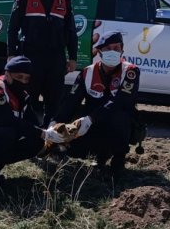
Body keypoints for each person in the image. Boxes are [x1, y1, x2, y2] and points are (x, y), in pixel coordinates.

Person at [0, 56, 65, 194]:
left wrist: (50, 133)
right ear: (7, 74)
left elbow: (33, 123)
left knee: (36, 140)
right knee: (10, 132)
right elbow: (6, 120)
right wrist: (41, 132)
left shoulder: (22, 94)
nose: (23, 81)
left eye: (26, 79)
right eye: (19, 77)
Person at [53, 31, 140, 179]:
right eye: (108, 49)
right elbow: (71, 101)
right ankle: (100, 155)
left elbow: (120, 101)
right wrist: (55, 122)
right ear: (99, 52)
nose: (113, 52)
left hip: (118, 124)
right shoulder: (88, 73)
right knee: (74, 147)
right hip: (94, 124)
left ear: (122, 50)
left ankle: (118, 162)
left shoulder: (130, 71)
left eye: (117, 48)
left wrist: (90, 119)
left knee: (119, 117)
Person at [7, 0, 78, 127]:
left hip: (56, 58)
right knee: (29, 99)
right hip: (31, 56)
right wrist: (11, 54)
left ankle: (50, 138)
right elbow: (13, 28)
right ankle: (29, 137)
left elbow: (71, 30)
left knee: (53, 101)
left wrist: (73, 57)